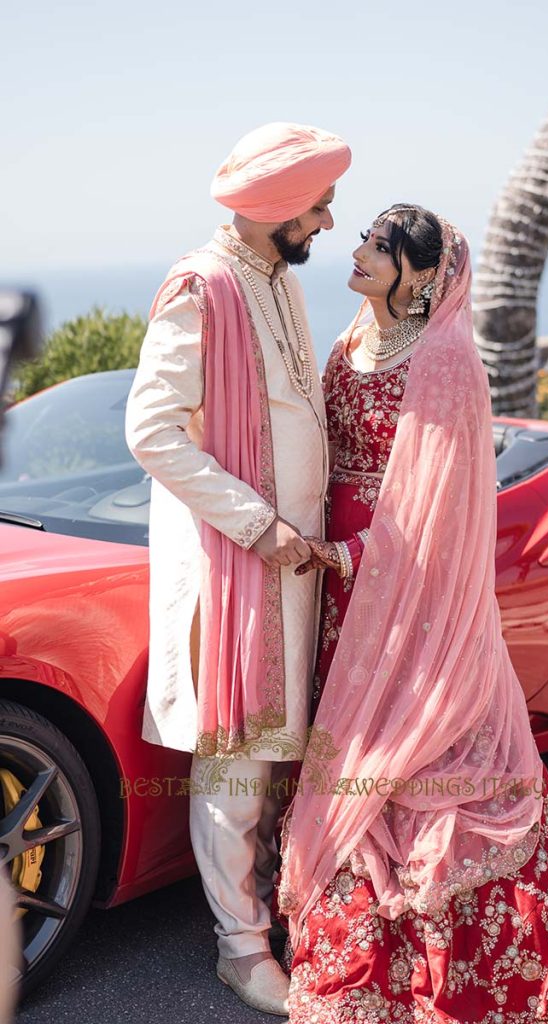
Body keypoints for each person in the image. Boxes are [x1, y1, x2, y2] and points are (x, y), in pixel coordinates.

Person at [278, 204, 548, 1022]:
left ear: (423, 275)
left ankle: (427, 952)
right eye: (366, 238)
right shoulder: (349, 340)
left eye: (383, 247)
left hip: (400, 587)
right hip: (335, 590)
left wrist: (349, 557)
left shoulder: (443, 364)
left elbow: (435, 509)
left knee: (418, 744)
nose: (362, 252)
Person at [125, 121, 351, 1017]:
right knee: (234, 769)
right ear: (279, 208)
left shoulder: (274, 279)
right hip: (237, 566)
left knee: (273, 761)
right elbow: (152, 433)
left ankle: (268, 911)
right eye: (321, 207)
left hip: (291, 568)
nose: (330, 223)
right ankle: (239, 949)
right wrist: (259, 526)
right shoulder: (201, 285)